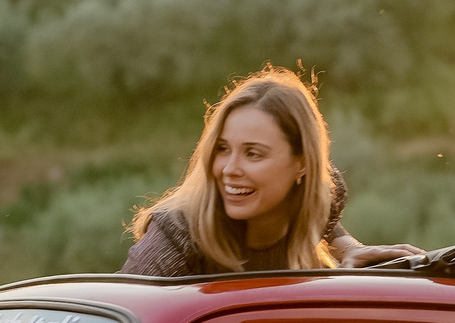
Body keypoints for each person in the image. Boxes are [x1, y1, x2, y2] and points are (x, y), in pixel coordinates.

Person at [122, 67, 415, 275]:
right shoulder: (178, 235)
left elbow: (318, 214)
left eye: (253, 153)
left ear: (302, 164)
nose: (229, 169)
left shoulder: (324, 194)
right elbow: (120, 321)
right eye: (223, 149)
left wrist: (348, 248)